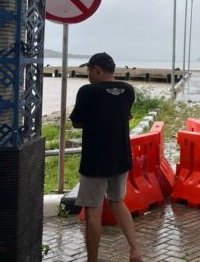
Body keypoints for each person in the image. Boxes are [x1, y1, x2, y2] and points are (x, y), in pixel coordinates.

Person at [69, 52, 142, 262]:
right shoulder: (128, 90)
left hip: (95, 160)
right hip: (121, 158)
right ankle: (135, 250)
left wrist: (95, 119)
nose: (88, 75)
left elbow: (76, 122)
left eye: (89, 71)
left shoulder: (87, 91)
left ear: (97, 70)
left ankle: (92, 260)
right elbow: (124, 114)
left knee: (93, 211)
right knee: (118, 202)